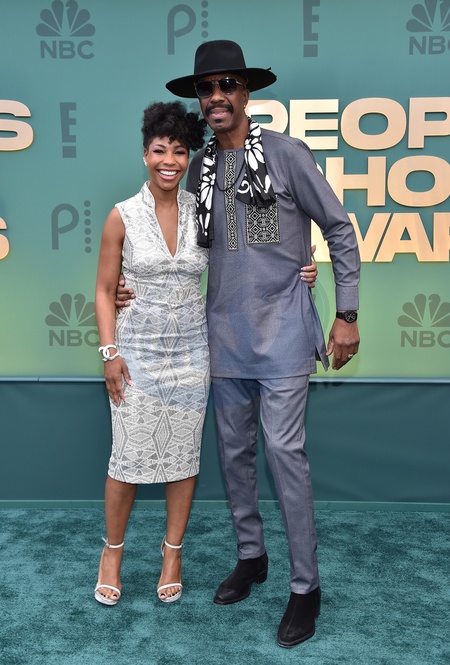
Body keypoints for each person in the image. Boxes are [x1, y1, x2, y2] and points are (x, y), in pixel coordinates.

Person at [117, 39, 357, 648]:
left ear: (247, 92)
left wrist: (346, 312)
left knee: (284, 452)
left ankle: (306, 587)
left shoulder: (286, 153)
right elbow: (169, 241)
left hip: (284, 333)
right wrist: (125, 284)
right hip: (221, 337)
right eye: (207, 88)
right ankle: (252, 557)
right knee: (234, 458)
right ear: (199, 100)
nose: (217, 96)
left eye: (228, 85)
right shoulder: (196, 167)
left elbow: (338, 228)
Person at [94, 101, 210, 606]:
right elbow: (104, 291)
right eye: (161, 150)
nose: (170, 161)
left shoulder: (204, 211)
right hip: (136, 354)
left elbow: (248, 259)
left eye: (180, 151)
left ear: (188, 158)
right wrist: (109, 352)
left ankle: (172, 554)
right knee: (126, 459)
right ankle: (112, 554)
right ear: (145, 154)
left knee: (183, 457)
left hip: (192, 352)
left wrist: (302, 270)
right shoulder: (121, 215)